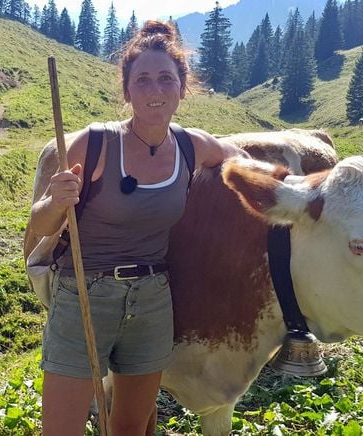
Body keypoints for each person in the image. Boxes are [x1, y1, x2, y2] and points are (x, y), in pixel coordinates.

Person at [29, 20, 248, 436]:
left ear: (182, 89)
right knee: (61, 431)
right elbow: (40, 226)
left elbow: (238, 157)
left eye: (166, 78)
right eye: (142, 79)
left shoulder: (190, 145)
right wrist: (55, 201)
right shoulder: (92, 145)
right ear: (126, 90)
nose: (155, 90)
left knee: (130, 429)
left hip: (152, 302)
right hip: (84, 296)